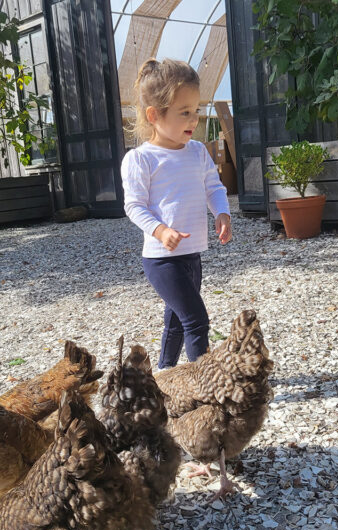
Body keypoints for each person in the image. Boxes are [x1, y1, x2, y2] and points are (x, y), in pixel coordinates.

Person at [121, 58, 232, 370]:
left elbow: (214, 187)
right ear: (154, 115)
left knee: (176, 321)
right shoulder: (140, 159)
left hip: (192, 254)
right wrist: (159, 231)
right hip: (161, 259)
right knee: (196, 321)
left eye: (196, 110)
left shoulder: (197, 152)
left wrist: (221, 213)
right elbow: (134, 206)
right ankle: (203, 386)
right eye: (184, 112)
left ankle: (163, 376)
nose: (193, 119)